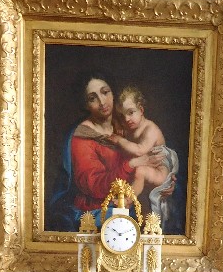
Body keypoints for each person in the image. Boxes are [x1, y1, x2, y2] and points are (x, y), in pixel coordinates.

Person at [47, 72, 171, 232]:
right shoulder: (82, 138)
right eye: (93, 98)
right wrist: (132, 164)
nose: (102, 101)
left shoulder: (126, 123)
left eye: (105, 92)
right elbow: (94, 186)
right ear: (86, 105)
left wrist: (165, 182)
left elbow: (158, 156)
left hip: (132, 203)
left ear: (113, 93)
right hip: (100, 210)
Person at [106, 86, 179, 223]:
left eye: (131, 112)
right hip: (147, 176)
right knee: (145, 212)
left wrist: (120, 140)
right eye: (122, 116)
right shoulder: (130, 129)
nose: (127, 119)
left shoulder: (150, 128)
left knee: (140, 171)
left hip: (161, 172)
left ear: (141, 110)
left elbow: (140, 150)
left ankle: (127, 200)